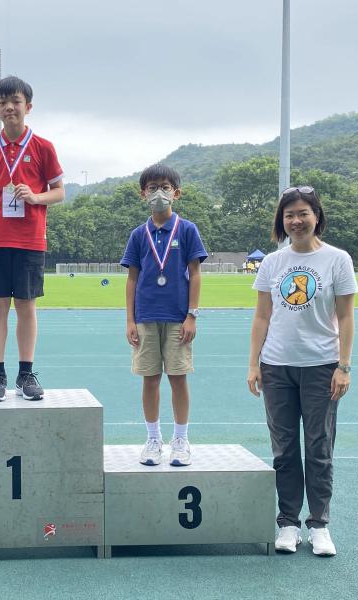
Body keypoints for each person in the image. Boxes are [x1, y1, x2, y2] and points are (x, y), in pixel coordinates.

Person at [247, 185, 358, 556]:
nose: (296, 220)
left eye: (303, 213)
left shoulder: (337, 260)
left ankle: (319, 525)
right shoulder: (273, 263)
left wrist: (343, 366)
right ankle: (288, 523)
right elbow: (262, 316)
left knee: (319, 446)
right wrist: (254, 364)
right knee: (284, 450)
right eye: (289, 214)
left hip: (321, 366)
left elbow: (345, 316)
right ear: (282, 220)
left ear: (316, 216)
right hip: (277, 366)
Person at [0, 76, 65, 402]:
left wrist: (36, 197)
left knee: (26, 306)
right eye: (3, 102)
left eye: (16, 101)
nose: (10, 107)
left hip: (29, 239)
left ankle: (26, 373)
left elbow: (60, 192)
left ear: (28, 106)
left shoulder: (43, 148)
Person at [121, 163, 208, 466]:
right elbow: (132, 278)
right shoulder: (138, 234)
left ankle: (181, 440)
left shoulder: (187, 230)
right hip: (145, 317)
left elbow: (195, 274)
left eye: (165, 187)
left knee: (178, 378)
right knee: (150, 379)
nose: (159, 193)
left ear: (177, 193)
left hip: (177, 317)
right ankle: (153, 439)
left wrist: (192, 315)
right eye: (152, 187)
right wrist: (130, 320)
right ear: (142, 193)